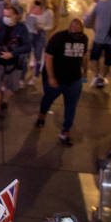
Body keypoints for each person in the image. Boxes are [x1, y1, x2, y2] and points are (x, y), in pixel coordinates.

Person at [37, 17, 89, 146]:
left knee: (71, 107)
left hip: (74, 80)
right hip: (57, 79)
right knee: (48, 99)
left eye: (79, 29)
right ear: (70, 27)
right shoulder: (58, 38)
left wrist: (85, 72)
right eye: (74, 28)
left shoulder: (84, 39)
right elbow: (49, 57)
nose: (77, 31)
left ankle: (66, 131)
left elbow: (84, 56)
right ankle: (42, 115)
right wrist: (51, 77)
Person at [0, 2, 30, 127]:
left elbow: (27, 46)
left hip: (14, 63)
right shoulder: (1, 23)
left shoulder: (22, 29)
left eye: (9, 15)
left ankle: (5, 102)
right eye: (5, 13)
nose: (6, 17)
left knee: (10, 87)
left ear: (16, 15)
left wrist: (13, 54)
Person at [24, 0, 55, 82]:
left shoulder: (49, 12)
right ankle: (22, 77)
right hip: (29, 34)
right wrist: (28, 15)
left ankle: (36, 75)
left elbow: (50, 26)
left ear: (44, 0)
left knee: (38, 55)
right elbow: (26, 19)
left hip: (40, 35)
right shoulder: (31, 7)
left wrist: (41, 27)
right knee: (25, 55)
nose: (37, 0)